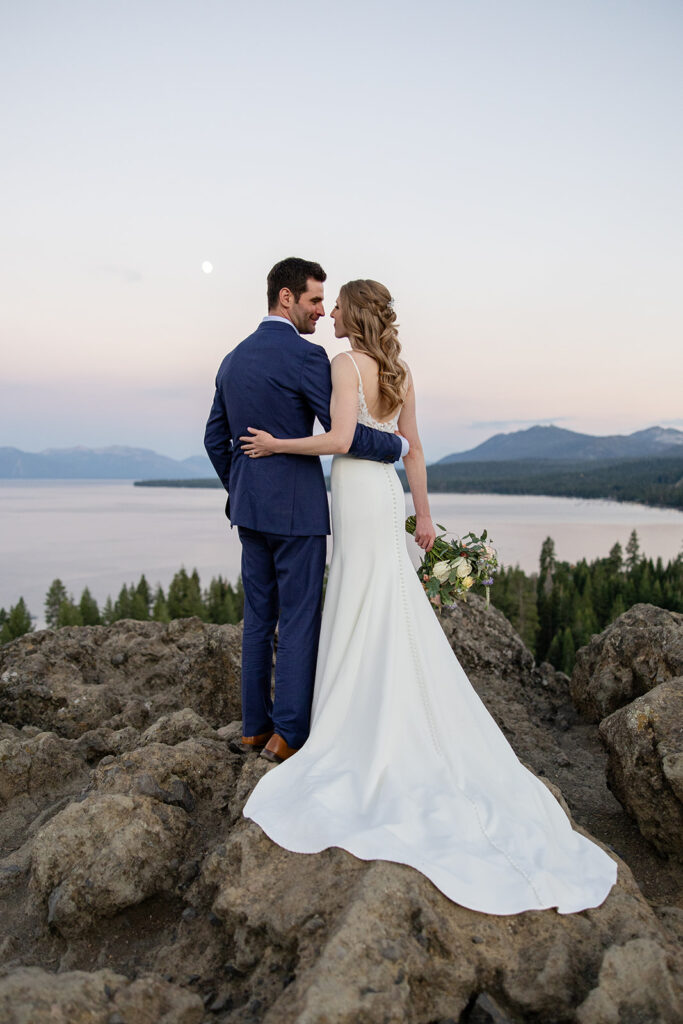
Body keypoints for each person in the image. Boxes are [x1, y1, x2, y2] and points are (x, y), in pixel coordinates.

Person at [238, 278, 617, 915]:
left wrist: (277, 445)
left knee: (358, 599)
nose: (328, 313)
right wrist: (425, 517)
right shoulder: (399, 370)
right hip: (386, 495)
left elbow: (338, 440)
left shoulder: (343, 364)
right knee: (386, 598)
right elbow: (412, 450)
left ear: (352, 315)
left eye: (336, 306)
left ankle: (351, 719)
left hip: (356, 494)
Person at [204, 258, 406, 765]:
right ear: (286, 298)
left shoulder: (232, 359)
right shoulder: (305, 356)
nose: (321, 311)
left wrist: (244, 485)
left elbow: (214, 438)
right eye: (315, 300)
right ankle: (288, 733)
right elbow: (342, 434)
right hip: (296, 514)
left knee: (257, 618)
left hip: (248, 512)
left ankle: (254, 728)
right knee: (296, 620)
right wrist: (397, 447)